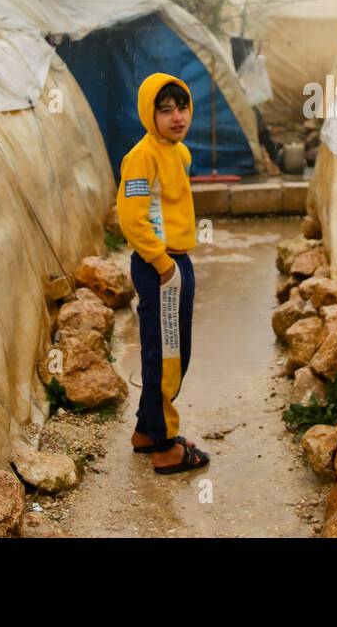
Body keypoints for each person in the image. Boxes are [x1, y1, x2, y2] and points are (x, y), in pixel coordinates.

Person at [115, 72, 211, 475]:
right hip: (159, 265)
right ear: (148, 114)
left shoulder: (179, 152)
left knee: (171, 348)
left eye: (182, 107)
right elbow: (132, 219)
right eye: (165, 109)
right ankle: (166, 447)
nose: (177, 117)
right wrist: (163, 264)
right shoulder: (142, 156)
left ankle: (145, 431)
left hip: (175, 261)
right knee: (167, 355)